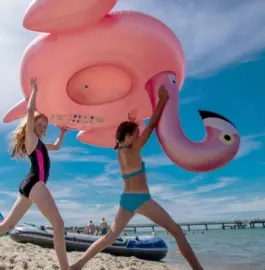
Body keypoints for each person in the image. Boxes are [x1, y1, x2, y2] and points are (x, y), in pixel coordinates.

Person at [69, 80, 204, 270]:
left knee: (109, 238)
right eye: (136, 133)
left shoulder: (120, 151)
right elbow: (151, 126)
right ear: (131, 136)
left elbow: (130, 134)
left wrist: (131, 123)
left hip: (126, 200)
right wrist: (162, 101)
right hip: (142, 199)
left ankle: (78, 264)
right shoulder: (134, 149)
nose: (139, 134)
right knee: (177, 231)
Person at [0, 77, 70, 270]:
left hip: (28, 185)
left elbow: (57, 147)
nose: (43, 129)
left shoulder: (40, 144)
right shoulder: (31, 139)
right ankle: (65, 268)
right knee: (58, 223)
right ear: (32, 125)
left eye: (45, 127)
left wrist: (62, 133)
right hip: (36, 183)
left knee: (7, 225)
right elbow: (29, 111)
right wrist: (35, 90)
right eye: (40, 125)